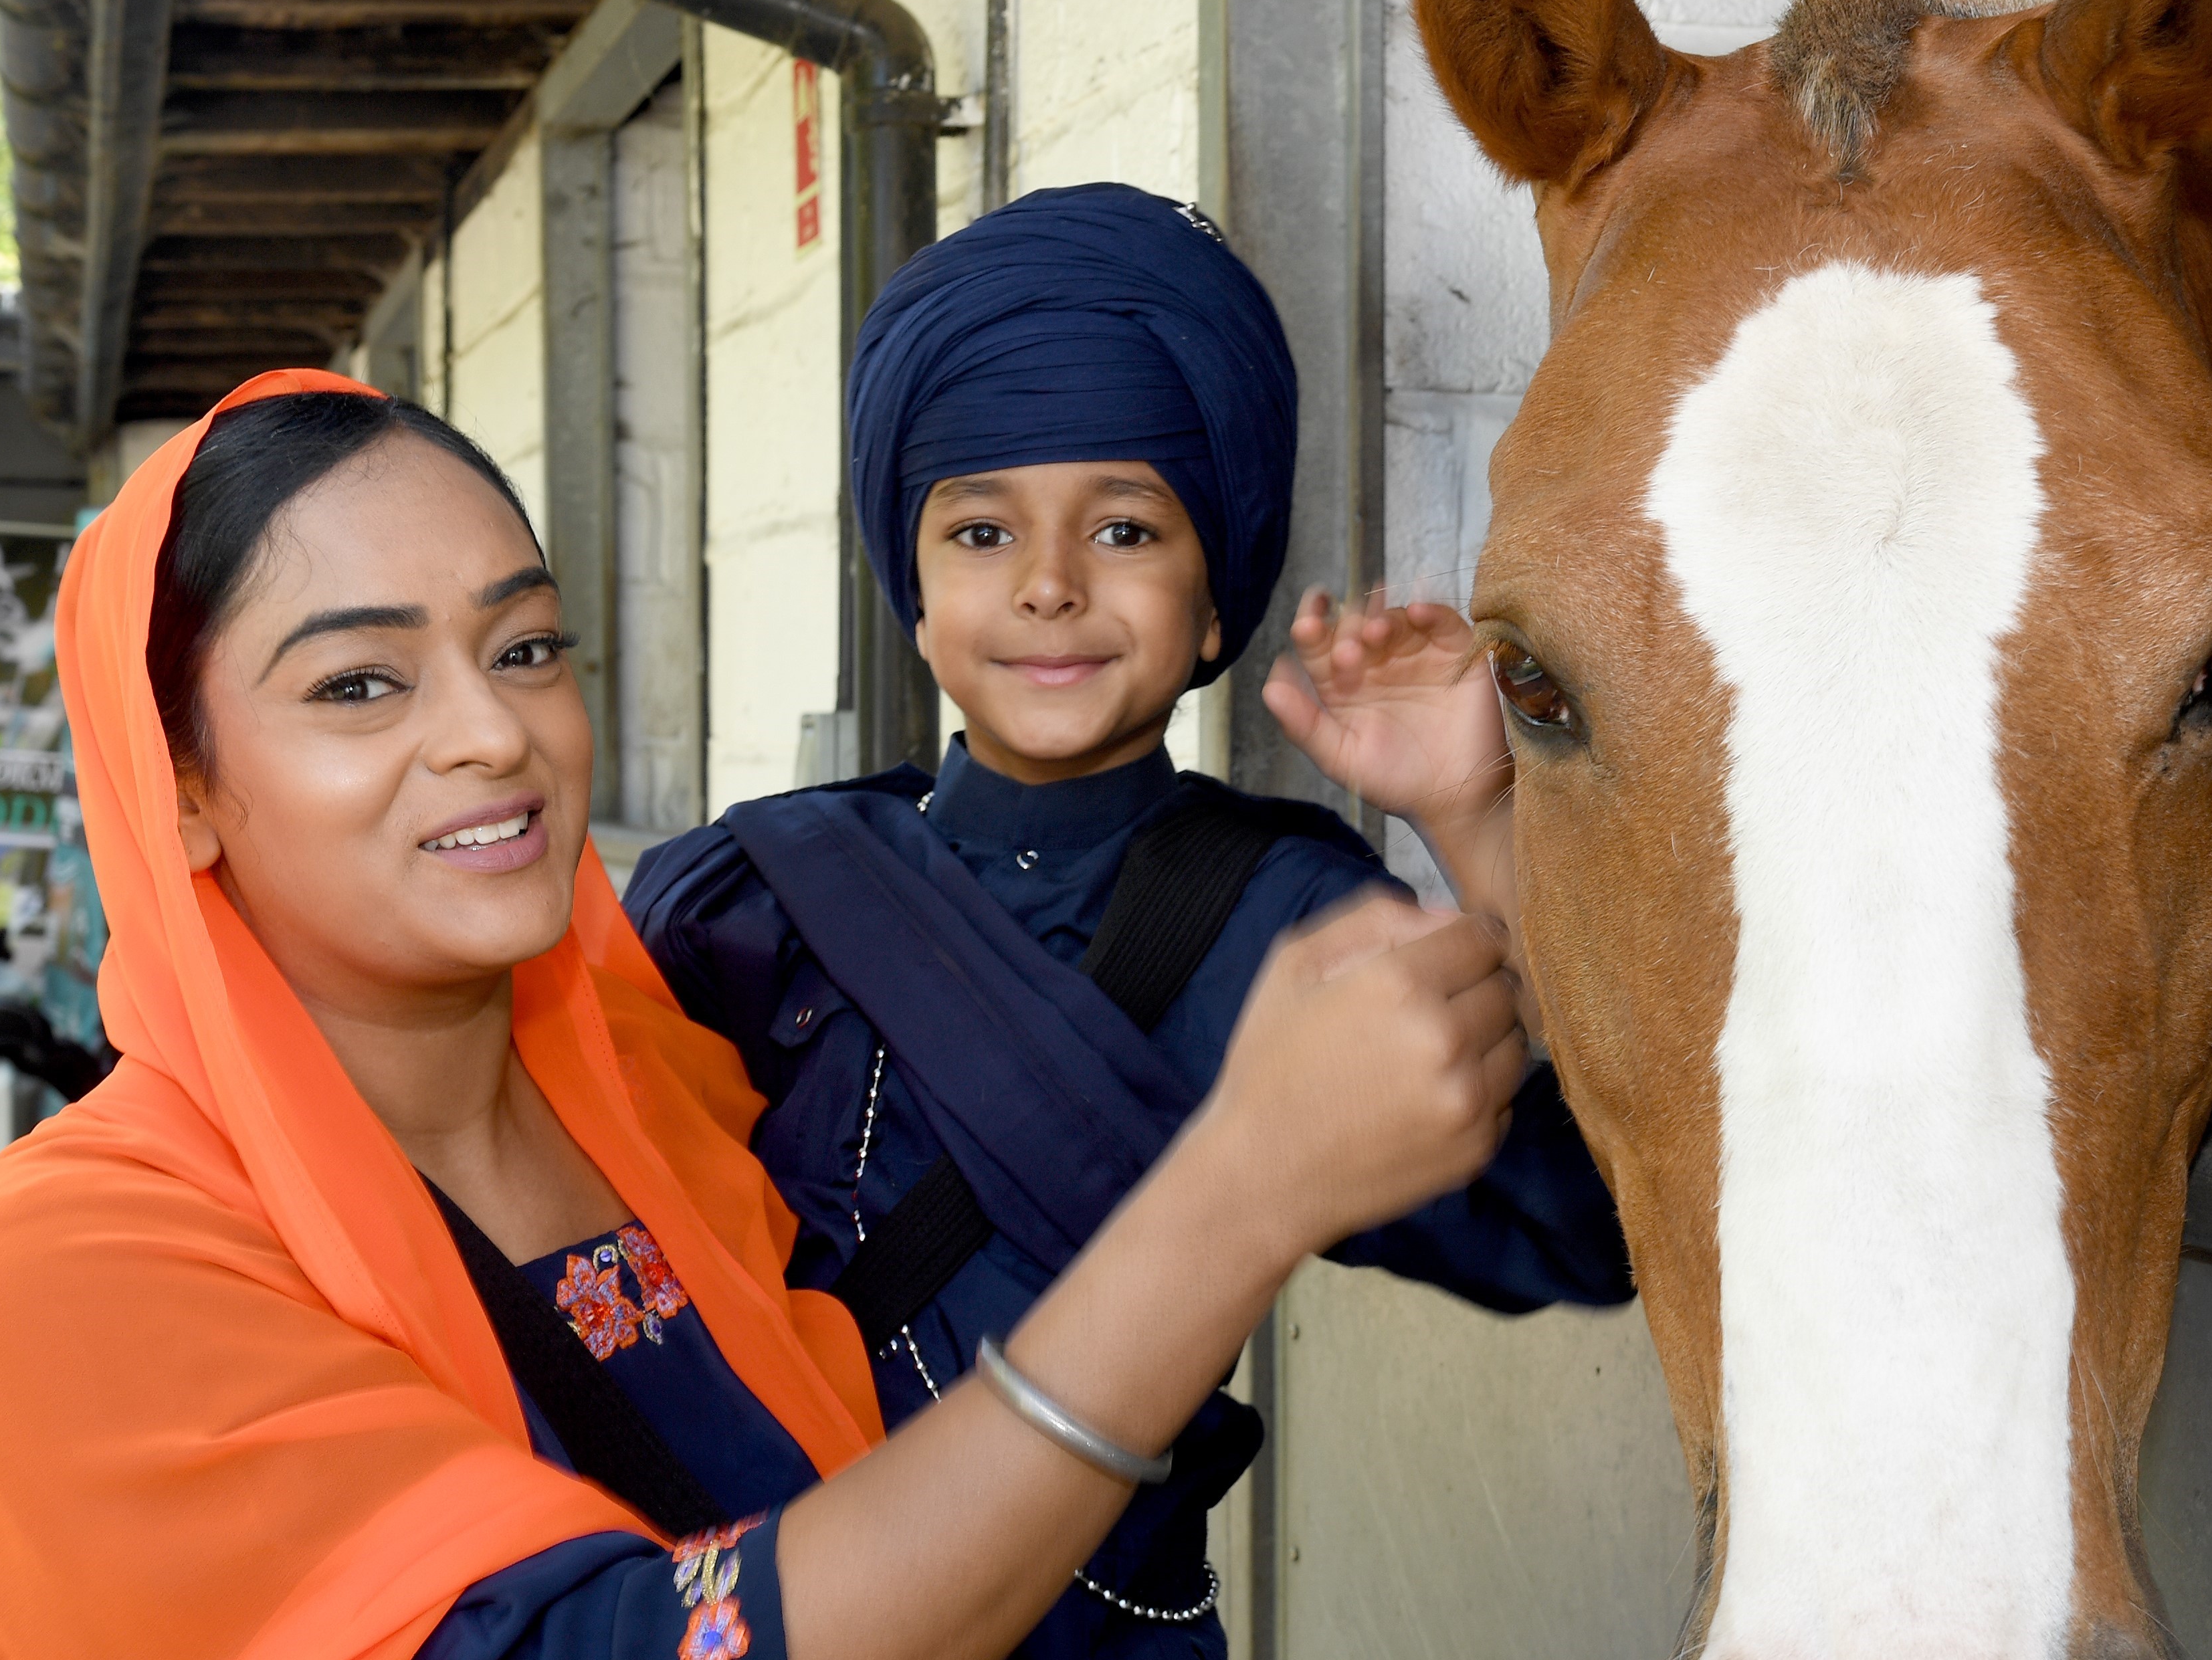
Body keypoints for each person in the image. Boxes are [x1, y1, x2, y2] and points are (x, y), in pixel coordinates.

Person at [0, 371, 1530, 1660]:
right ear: (176, 787)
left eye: (525, 645)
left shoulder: (679, 1073)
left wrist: (1488, 831)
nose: (491, 733)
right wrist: (1234, 1197)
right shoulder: (71, 1272)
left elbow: (1581, 1206)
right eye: (358, 684)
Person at [621, 185, 1625, 1658]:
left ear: (1215, 600)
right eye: (978, 529)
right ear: (912, 590)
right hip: (785, 1612)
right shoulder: (751, 896)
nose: (1046, 584)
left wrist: (1475, 816)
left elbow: (1585, 1227)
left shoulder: (1287, 916)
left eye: (1123, 526)